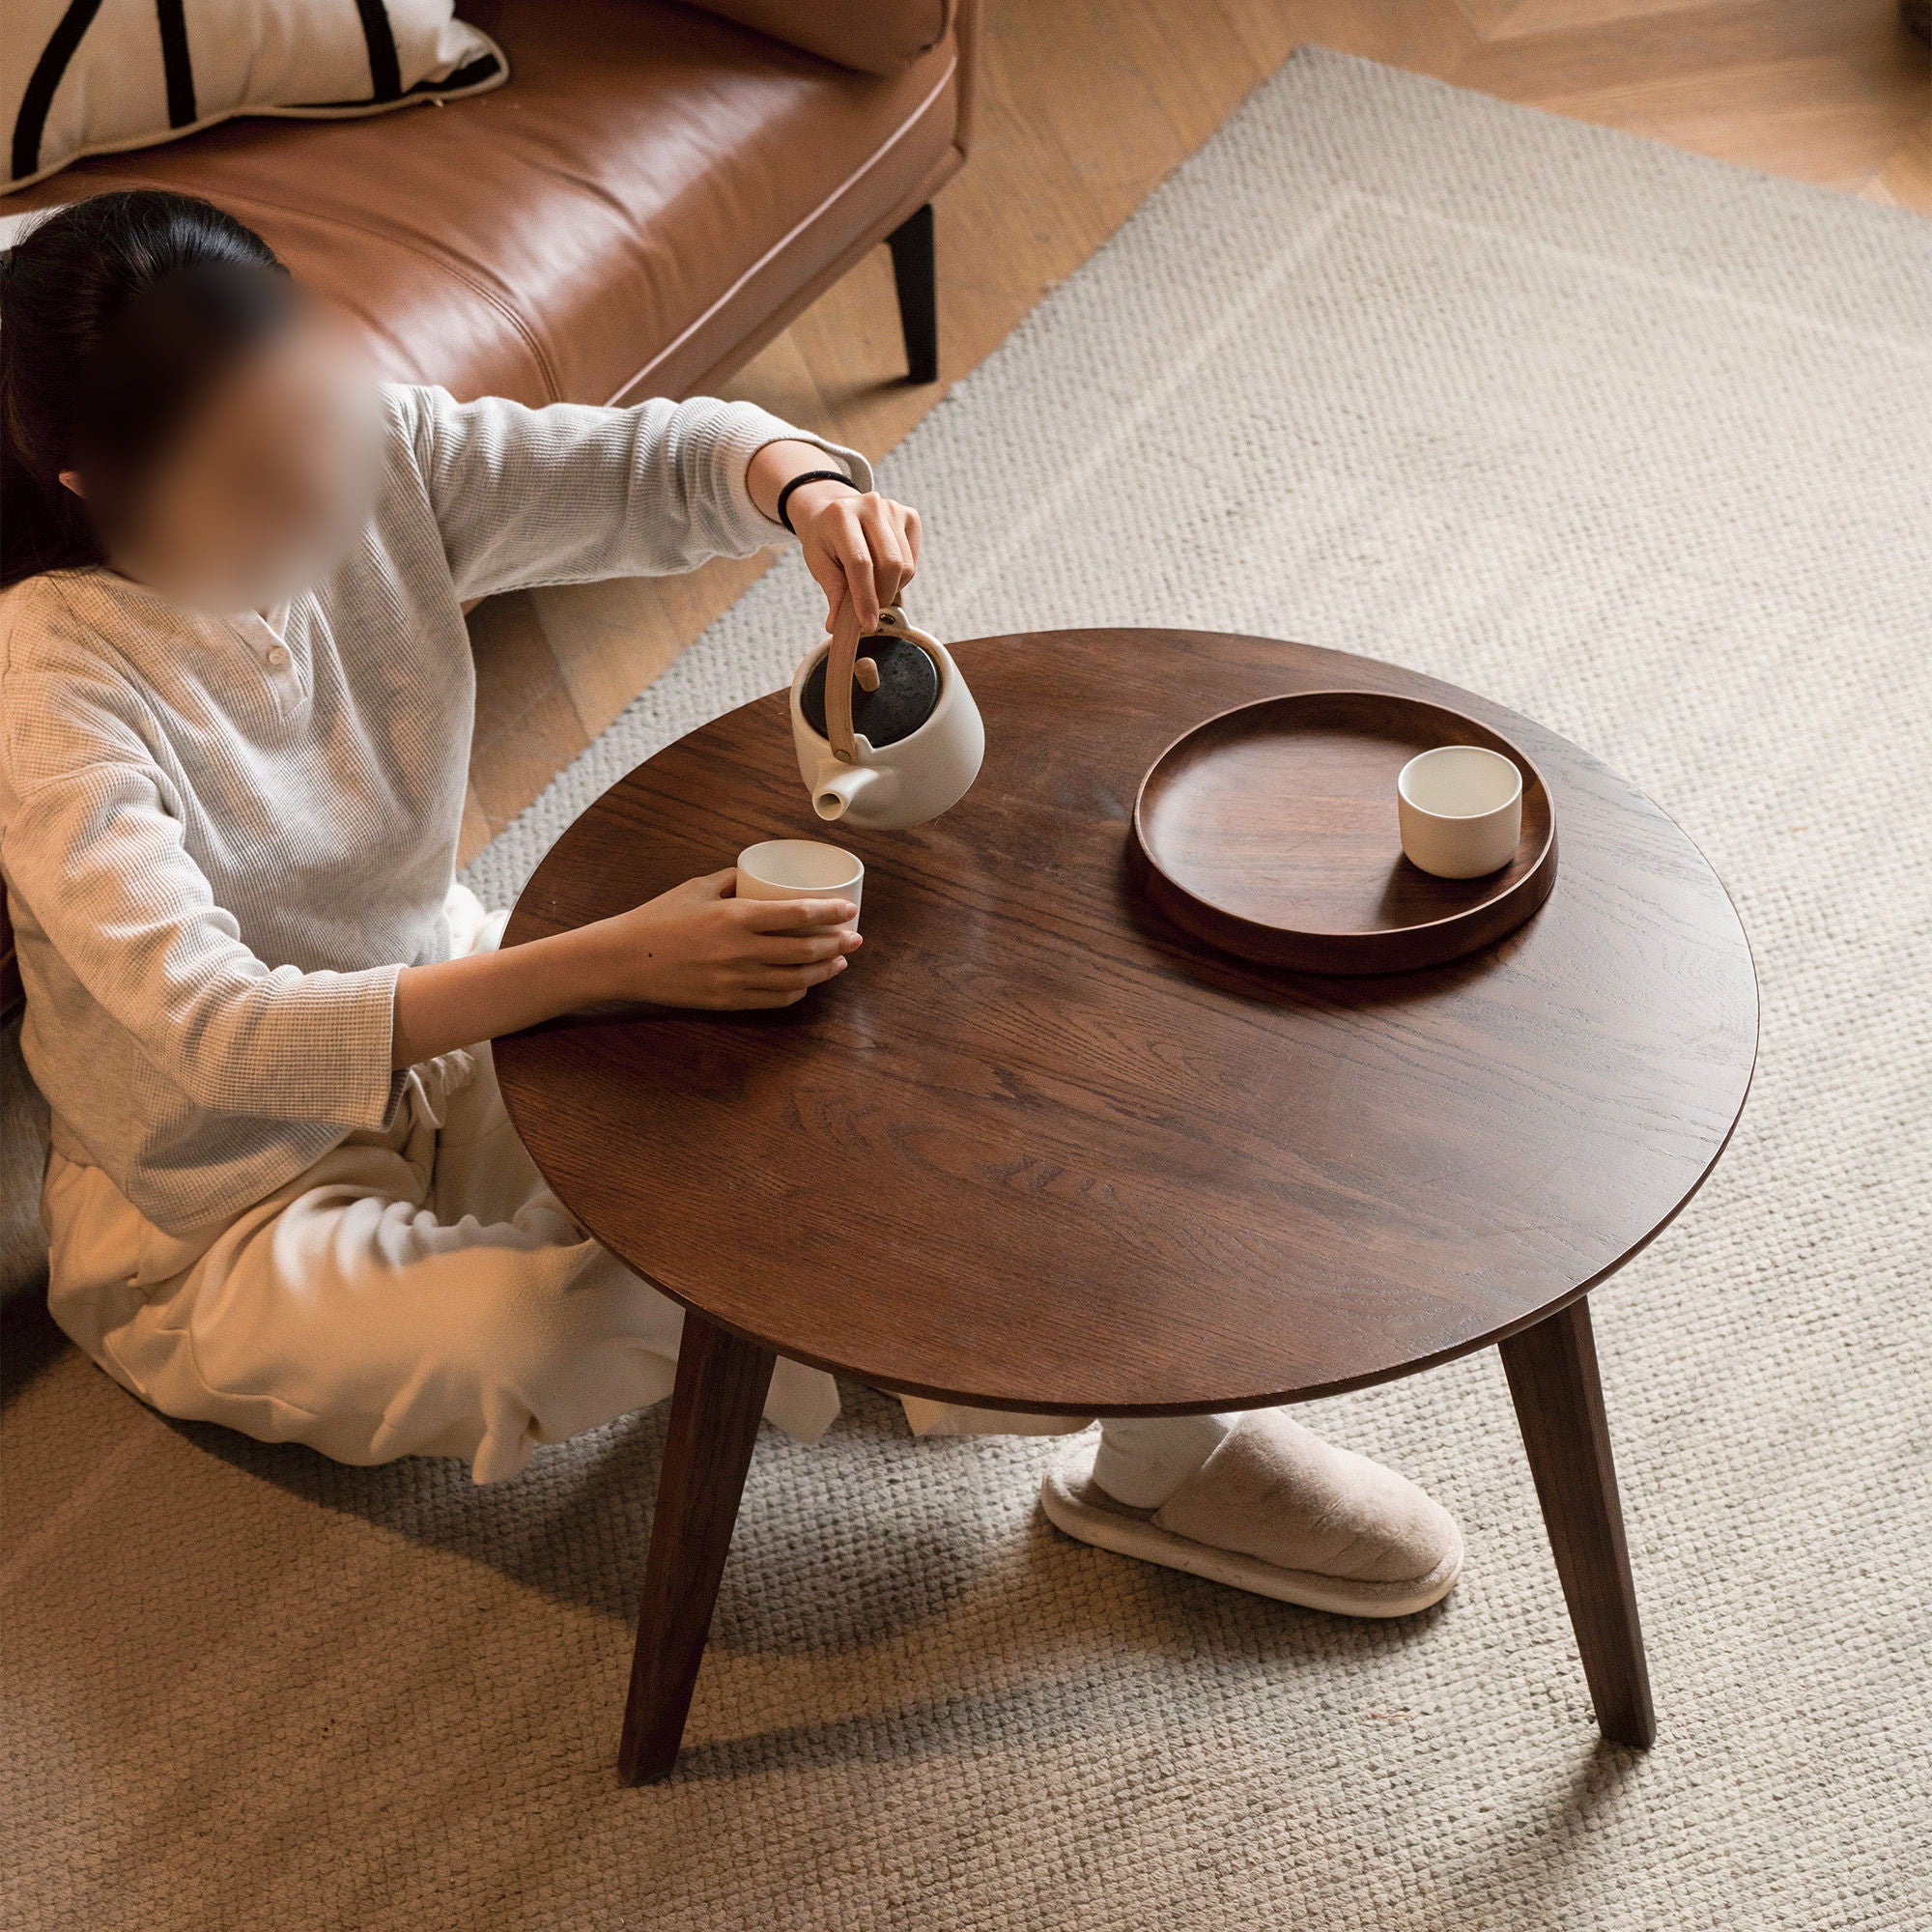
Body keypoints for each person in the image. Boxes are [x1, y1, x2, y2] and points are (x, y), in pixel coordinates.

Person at [0, 191, 1461, 1617]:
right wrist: (610, 963)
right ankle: (973, 1364)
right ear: (96, 488)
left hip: (444, 1021)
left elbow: (663, 462)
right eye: (249, 478)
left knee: (837, 1114)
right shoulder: (53, 697)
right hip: (220, 1208)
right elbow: (222, 1035)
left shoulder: (368, 449)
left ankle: (1158, 1448)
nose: (318, 484)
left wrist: (808, 493)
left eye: (311, 413)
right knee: (557, 1323)